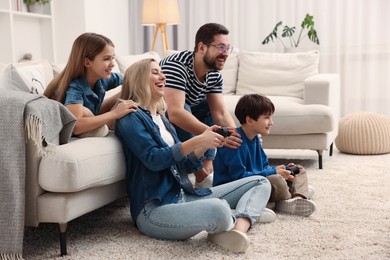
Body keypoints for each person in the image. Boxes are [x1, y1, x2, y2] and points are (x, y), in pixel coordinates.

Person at [115, 59, 274, 253]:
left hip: (184, 196)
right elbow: (154, 159)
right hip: (154, 210)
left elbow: (184, 167)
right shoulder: (130, 118)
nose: (163, 76)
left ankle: (241, 221)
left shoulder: (161, 118)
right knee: (219, 209)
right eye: (155, 72)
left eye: (161, 72)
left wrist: (205, 144)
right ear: (139, 79)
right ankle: (248, 212)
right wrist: (198, 140)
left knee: (259, 182)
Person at [160, 23, 241, 189]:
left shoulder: (214, 74)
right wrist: (216, 136)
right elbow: (175, 113)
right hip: (162, 113)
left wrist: (238, 137)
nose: (225, 54)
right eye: (220, 47)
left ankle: (207, 166)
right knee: (184, 109)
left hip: (187, 110)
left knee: (210, 109)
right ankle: (200, 173)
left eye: (228, 48)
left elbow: (220, 113)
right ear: (202, 47)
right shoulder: (177, 66)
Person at [213, 94, 316, 217]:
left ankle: (296, 197)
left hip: (257, 181)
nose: (271, 122)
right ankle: (291, 196)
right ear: (250, 120)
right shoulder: (234, 142)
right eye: (267, 118)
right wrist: (275, 172)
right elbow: (239, 178)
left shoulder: (255, 138)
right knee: (277, 179)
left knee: (298, 170)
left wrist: (282, 170)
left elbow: (264, 167)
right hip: (237, 188)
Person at [44, 32, 137, 137]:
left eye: (113, 58)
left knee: (126, 91)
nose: (112, 64)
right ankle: (105, 126)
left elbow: (132, 77)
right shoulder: (75, 86)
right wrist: (115, 113)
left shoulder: (103, 78)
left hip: (93, 114)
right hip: (72, 127)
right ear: (87, 62)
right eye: (106, 59)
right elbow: (75, 126)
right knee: (85, 111)